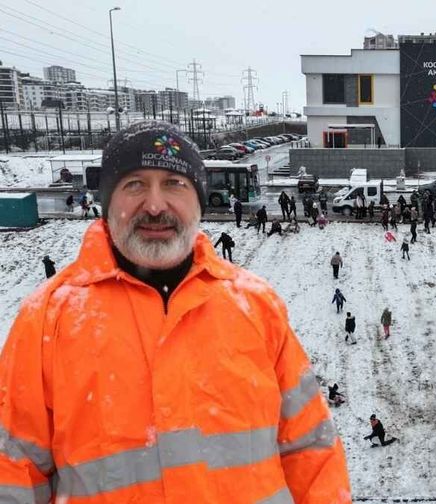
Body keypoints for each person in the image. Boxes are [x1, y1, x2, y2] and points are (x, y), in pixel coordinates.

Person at [0, 121, 350, 502]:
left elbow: (311, 453)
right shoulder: (47, 319)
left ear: (198, 201)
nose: (154, 205)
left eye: (174, 184)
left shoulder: (256, 305)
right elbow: (14, 473)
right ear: (106, 203)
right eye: (134, 184)